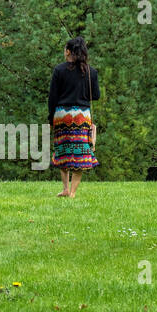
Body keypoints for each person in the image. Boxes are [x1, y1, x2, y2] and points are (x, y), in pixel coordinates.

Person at [48, 36, 100, 197]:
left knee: (63, 150)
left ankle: (64, 188)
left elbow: (52, 97)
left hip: (62, 115)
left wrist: (51, 119)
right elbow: (96, 95)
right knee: (81, 153)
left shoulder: (59, 70)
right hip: (81, 116)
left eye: (65, 49)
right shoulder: (91, 72)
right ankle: (73, 192)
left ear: (69, 51)